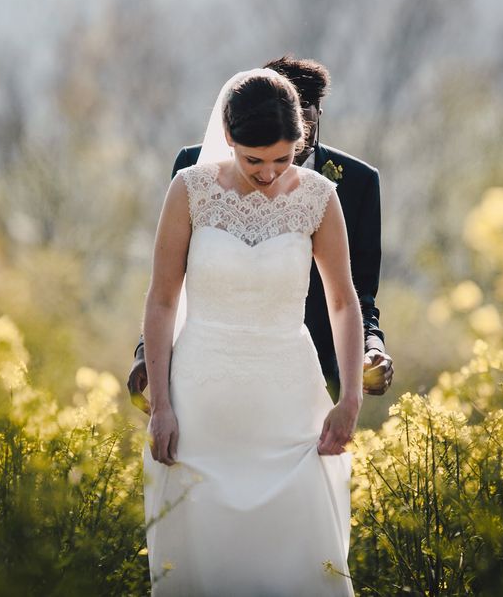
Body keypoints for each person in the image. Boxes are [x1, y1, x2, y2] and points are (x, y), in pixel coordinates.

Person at [142, 68, 360, 595]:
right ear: (230, 138)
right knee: (205, 556)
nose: (268, 172)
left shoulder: (319, 198)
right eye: (253, 159)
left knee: (298, 556)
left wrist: (350, 397)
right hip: (201, 408)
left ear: (300, 143)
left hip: (289, 407)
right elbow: (163, 299)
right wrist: (162, 406)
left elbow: (344, 302)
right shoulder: (189, 190)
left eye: (283, 158)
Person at [129, 56, 392, 409]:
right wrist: (149, 351)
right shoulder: (194, 173)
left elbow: (357, 296)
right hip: (204, 376)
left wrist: (370, 350)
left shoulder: (355, 184)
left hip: (307, 378)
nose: (272, 170)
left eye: (300, 138)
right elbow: (167, 284)